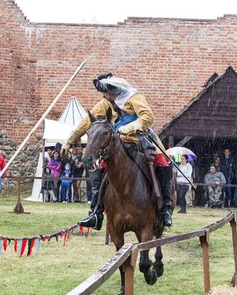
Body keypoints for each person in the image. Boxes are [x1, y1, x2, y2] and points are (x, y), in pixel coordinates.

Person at [61, 73, 174, 229]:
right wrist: (71, 139)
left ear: (114, 90)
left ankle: (165, 209)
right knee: (101, 169)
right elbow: (88, 121)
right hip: (116, 143)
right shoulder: (106, 103)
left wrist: (130, 127)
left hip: (140, 139)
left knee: (162, 164)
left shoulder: (134, 97)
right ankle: (96, 213)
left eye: (105, 92)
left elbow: (147, 117)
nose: (103, 96)